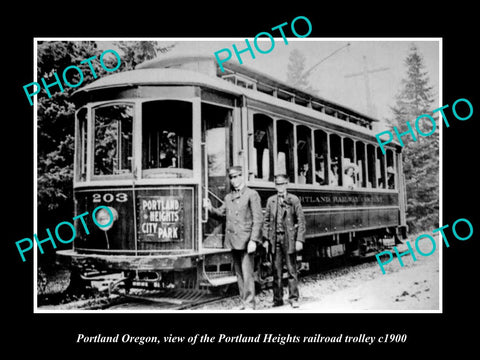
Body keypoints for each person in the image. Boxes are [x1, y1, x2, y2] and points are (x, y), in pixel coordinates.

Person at [204, 166, 263, 310]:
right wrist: (210, 208)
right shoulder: (228, 197)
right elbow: (220, 214)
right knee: (239, 273)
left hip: (246, 240)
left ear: (242, 176)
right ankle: (244, 302)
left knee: (247, 274)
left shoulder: (251, 194)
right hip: (233, 240)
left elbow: (258, 219)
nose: (234, 180)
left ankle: (249, 304)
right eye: (232, 177)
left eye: (237, 177)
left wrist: (253, 240)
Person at [263, 174, 306, 308]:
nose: (280, 187)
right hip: (275, 239)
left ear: (286, 184)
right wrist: (265, 238)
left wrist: (299, 240)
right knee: (276, 271)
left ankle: (293, 298)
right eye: (277, 184)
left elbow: (301, 221)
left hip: (289, 239)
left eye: (282, 184)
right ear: (275, 186)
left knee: (292, 269)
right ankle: (278, 299)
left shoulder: (293, 200)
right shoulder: (271, 201)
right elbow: (266, 221)